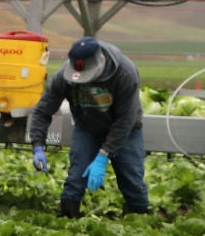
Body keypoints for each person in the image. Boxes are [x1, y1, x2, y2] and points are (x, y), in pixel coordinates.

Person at [27, 36, 150, 217]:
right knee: (76, 177)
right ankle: (68, 217)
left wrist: (103, 157)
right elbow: (42, 111)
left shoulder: (125, 73)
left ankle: (139, 218)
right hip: (87, 128)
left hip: (125, 131)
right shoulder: (64, 76)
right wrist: (38, 146)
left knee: (131, 178)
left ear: (101, 62)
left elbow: (126, 119)